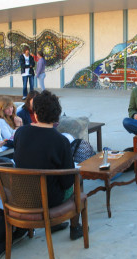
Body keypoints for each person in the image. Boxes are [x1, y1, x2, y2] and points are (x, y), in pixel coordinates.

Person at [13, 90, 83, 240]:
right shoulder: (61, 141)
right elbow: (67, 182)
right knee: (78, 181)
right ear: (56, 117)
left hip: (21, 196)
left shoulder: (20, 133)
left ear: (36, 113)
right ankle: (75, 228)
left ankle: (55, 224)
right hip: (48, 200)